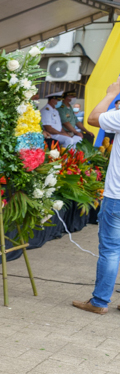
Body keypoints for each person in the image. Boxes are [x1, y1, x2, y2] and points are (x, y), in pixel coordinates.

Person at [74, 78, 120, 314]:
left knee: (111, 250)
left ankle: (100, 302)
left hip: (118, 196)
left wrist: (111, 93)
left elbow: (93, 119)